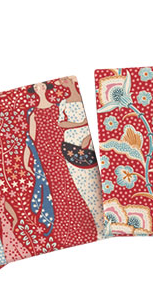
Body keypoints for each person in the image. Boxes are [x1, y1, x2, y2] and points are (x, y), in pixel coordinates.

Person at [24, 82, 97, 245]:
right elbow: (31, 138)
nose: (40, 88)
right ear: (34, 90)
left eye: (42, 86)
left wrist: (82, 127)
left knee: (70, 184)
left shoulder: (58, 106)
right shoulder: (34, 112)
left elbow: (65, 125)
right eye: (36, 87)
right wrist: (26, 157)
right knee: (56, 190)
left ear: (46, 87)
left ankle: (84, 227)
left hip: (61, 148)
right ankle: (65, 231)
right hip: (45, 153)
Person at [56, 77, 105, 238]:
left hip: (87, 139)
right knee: (82, 184)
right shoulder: (64, 102)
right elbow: (61, 123)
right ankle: (98, 227)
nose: (65, 81)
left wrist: (89, 137)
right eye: (63, 80)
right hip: (72, 142)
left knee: (96, 184)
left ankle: (104, 225)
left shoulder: (88, 95)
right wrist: (82, 123)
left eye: (67, 79)